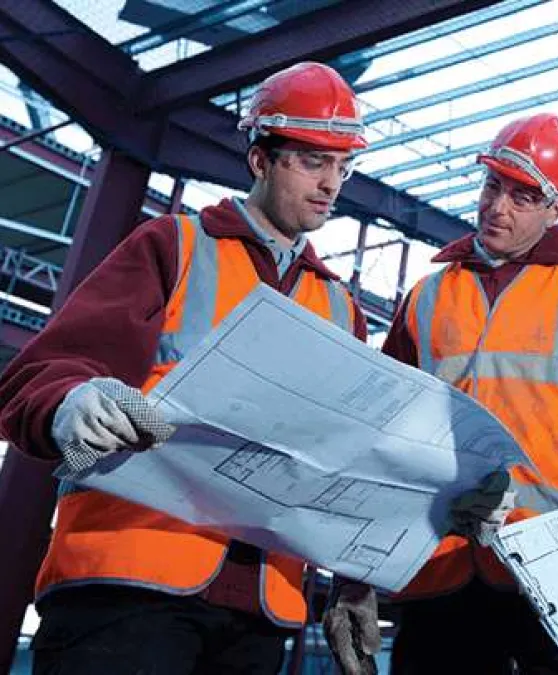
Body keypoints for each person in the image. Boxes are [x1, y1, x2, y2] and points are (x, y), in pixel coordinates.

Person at [0, 62, 370, 675]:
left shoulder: (341, 307)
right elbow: (45, 371)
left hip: (257, 612)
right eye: (313, 161)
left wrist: (358, 578)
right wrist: (71, 401)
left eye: (343, 167)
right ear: (260, 160)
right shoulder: (172, 245)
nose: (332, 183)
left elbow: (351, 458)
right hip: (127, 585)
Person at [323, 113, 558, 675]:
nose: (497, 207)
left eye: (522, 196)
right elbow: (381, 441)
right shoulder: (425, 297)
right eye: (492, 186)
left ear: (556, 208)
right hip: (441, 573)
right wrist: (354, 575)